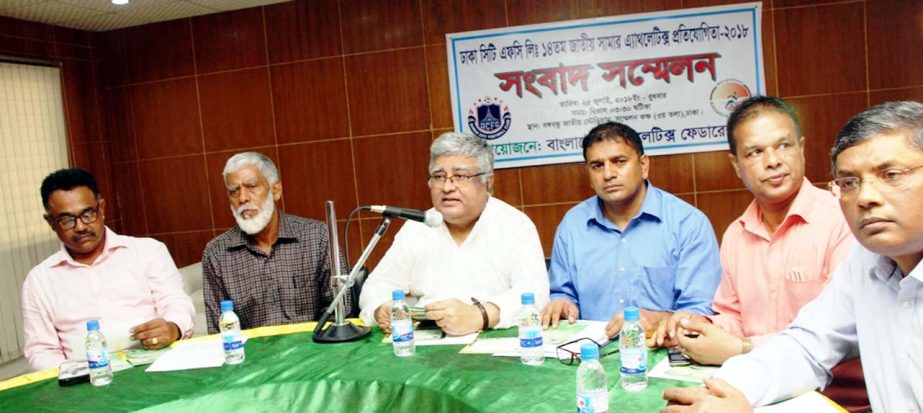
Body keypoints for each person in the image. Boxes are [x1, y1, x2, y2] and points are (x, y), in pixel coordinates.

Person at [662, 101, 923, 412]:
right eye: (849, 183)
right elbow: (806, 345)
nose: (865, 197)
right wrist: (728, 394)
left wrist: (739, 350)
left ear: (800, 149)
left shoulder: (841, 230)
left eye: (891, 174)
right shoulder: (865, 260)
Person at [655, 96, 854, 363]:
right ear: (736, 165)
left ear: (802, 149)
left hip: (829, 390)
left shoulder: (842, 219)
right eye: (755, 152)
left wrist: (744, 348)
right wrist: (698, 327)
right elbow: (732, 317)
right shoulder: (736, 235)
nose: (773, 161)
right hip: (755, 384)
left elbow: (840, 330)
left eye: (783, 146)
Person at [542, 121, 722, 338]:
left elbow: (701, 311)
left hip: (664, 350)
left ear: (644, 166)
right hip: (591, 353)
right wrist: (562, 304)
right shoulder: (572, 225)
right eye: (597, 166)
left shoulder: (688, 224)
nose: (608, 174)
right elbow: (563, 292)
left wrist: (658, 319)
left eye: (619, 161)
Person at [358, 132, 549, 336]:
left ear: (488, 182)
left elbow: (534, 293)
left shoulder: (514, 225)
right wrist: (382, 309)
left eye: (460, 176)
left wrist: (480, 315)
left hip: (495, 343)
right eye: (439, 177)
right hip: (425, 347)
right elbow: (377, 285)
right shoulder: (417, 227)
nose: (447, 187)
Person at [22, 168, 195, 371]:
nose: (80, 227)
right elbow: (41, 351)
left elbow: (175, 302)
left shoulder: (147, 251)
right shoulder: (39, 281)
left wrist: (173, 327)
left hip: (155, 367)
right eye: (67, 220)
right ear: (51, 222)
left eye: (87, 214)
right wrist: (73, 376)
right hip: (85, 383)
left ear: (101, 208)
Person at [202, 152, 347, 334]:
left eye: (251, 186)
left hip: (314, 350)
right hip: (253, 358)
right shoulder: (217, 253)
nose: (242, 198)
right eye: (234, 191)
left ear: (275, 190)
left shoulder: (317, 236)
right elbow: (219, 329)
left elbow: (340, 310)